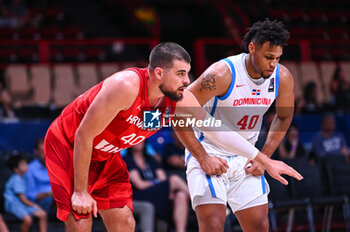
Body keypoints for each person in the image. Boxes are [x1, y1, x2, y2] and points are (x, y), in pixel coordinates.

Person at [44, 41, 302, 231]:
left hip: (105, 154)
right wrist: (80, 190)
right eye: (180, 74)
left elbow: (216, 129)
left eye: (187, 73)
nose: (186, 81)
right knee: (81, 218)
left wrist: (265, 159)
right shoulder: (125, 86)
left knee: (124, 222)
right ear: (158, 73)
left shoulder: (179, 99)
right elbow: (82, 135)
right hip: (69, 144)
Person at [174, 18, 297, 232]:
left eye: (277, 58)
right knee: (212, 224)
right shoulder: (222, 73)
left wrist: (265, 157)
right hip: (210, 151)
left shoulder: (281, 77)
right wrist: (202, 157)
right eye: (268, 57)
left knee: (259, 225)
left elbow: (284, 116)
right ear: (252, 48)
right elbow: (179, 111)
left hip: (246, 155)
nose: (273, 64)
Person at [124, 141, 189, 232]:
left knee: (181, 195)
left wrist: (161, 186)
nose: (138, 143)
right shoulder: (127, 160)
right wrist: (157, 183)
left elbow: (163, 177)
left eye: (141, 141)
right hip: (140, 195)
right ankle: (195, 199)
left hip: (157, 193)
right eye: (136, 141)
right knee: (173, 179)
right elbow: (140, 184)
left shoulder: (150, 159)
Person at [3, 154, 47, 232]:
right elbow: (23, 199)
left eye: (25, 163)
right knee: (28, 220)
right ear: (16, 169)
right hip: (14, 205)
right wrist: (35, 205)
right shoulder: (16, 179)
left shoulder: (24, 177)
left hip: (23, 205)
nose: (26, 166)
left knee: (43, 214)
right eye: (23, 165)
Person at [25, 138, 55, 216]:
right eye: (42, 152)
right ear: (36, 152)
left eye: (47, 151)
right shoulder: (30, 169)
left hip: (58, 197)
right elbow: (31, 195)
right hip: (43, 201)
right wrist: (50, 194)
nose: (45, 154)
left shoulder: (56, 165)